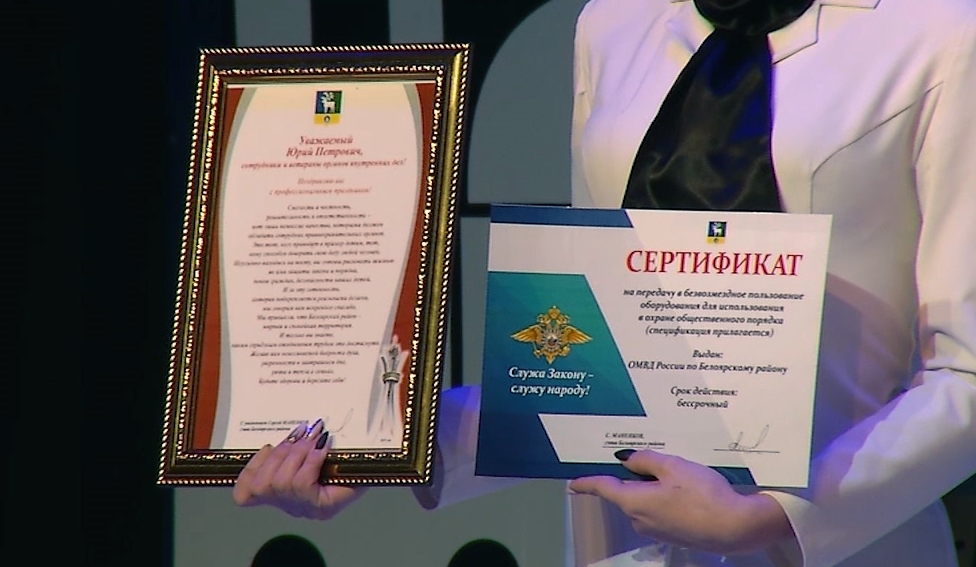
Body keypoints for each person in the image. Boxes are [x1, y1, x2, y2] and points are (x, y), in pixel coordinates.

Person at [233, 0, 976, 565]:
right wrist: (382, 446)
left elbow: (966, 373)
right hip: (632, 546)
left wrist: (775, 515)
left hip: (854, 548)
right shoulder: (613, 24)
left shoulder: (941, 33)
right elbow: (597, 361)